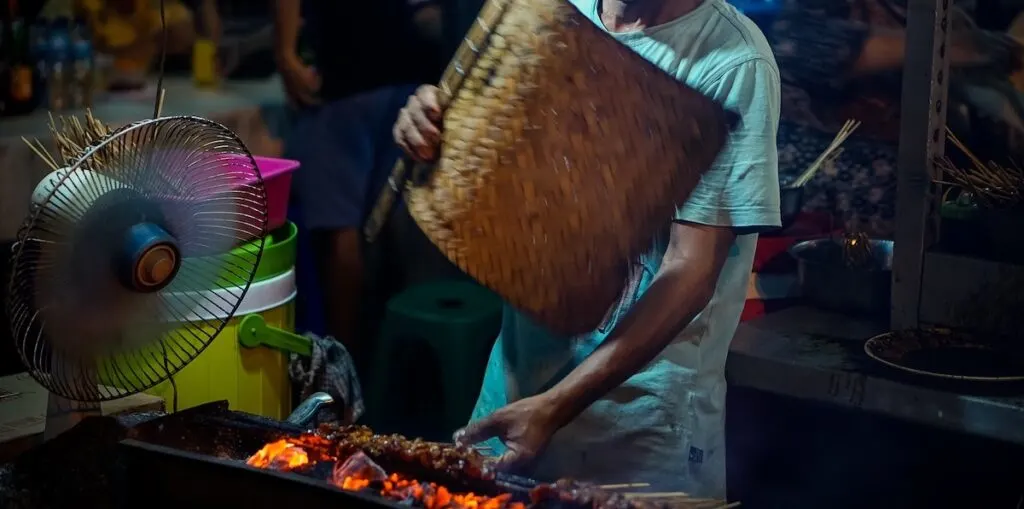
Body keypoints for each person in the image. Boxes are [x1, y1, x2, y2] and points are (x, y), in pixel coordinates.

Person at [393, 0, 780, 498]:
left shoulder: (735, 63)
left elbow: (691, 270)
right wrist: (433, 130)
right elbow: (502, 166)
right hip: (515, 387)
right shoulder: (555, 12)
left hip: (637, 431)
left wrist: (554, 407)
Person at [272, 0, 442, 358]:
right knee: (377, 229)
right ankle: (376, 360)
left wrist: (286, 50)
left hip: (351, 80)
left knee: (340, 234)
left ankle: (344, 361)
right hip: (408, 76)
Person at [766, 0, 1024, 236]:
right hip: (823, 209)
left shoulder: (940, 14)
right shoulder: (805, 20)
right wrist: (975, 47)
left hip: (929, 200)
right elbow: (808, 46)